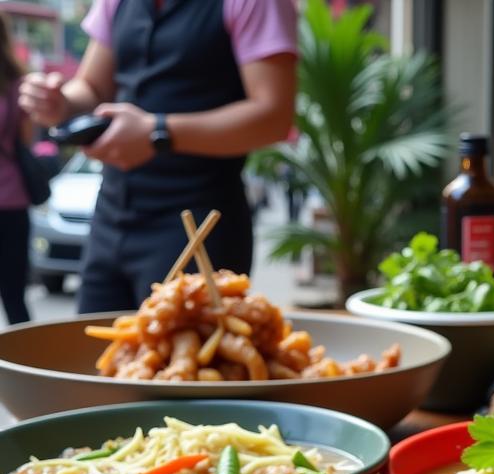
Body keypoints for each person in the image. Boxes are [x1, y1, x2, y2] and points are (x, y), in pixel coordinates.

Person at [18, 0, 298, 314]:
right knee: (93, 355)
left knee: (184, 358)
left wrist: (158, 132)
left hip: (198, 221)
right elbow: (92, 87)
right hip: (110, 217)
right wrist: (60, 102)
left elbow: (273, 116)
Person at [0, 13, 30, 326]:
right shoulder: (16, 84)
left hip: (11, 204)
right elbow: (27, 139)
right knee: (14, 297)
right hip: (12, 201)